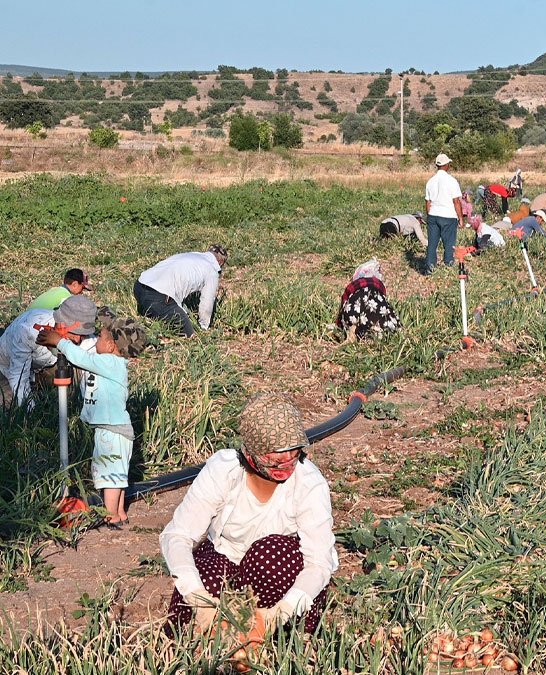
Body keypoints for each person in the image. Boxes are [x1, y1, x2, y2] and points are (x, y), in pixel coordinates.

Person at [161, 394, 337, 639]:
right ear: (252, 453)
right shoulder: (223, 471)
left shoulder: (309, 483)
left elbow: (318, 562)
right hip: (226, 555)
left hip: (278, 567)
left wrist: (281, 611)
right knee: (204, 580)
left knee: (269, 556)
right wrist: (198, 598)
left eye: (293, 453)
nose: (287, 461)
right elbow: (178, 535)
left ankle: (280, 637)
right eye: (276, 456)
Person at [37, 314, 145, 526]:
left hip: (111, 431)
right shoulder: (108, 362)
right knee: (117, 476)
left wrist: (60, 341)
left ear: (111, 345)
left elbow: (83, 359)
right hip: (111, 430)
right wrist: (59, 344)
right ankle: (120, 513)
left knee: (111, 476)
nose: (96, 340)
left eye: (100, 337)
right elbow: (80, 358)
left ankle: (111, 515)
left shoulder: (111, 362)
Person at [0, 295, 97, 407]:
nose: (78, 339)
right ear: (60, 323)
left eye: (83, 335)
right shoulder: (27, 331)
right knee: (10, 405)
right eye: (74, 333)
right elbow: (18, 376)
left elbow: (92, 369)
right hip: (8, 370)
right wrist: (31, 413)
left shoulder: (86, 337)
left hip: (45, 367)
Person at [135, 245, 227, 337]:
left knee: (157, 314)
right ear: (220, 262)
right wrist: (203, 327)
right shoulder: (212, 271)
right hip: (158, 296)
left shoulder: (193, 255)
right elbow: (207, 303)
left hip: (139, 287)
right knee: (189, 333)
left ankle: (150, 315)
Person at [335, 259, 400, 341]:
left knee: (352, 316)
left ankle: (352, 331)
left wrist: (339, 323)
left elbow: (344, 302)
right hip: (376, 310)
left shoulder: (353, 285)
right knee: (380, 317)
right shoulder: (379, 285)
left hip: (354, 308)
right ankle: (377, 332)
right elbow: (383, 300)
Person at [423, 153, 464, 276]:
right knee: (449, 244)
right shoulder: (452, 181)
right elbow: (456, 201)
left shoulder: (430, 181)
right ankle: (448, 267)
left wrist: (430, 216)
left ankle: (430, 269)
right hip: (448, 216)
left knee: (432, 244)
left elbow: (428, 202)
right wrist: (460, 218)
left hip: (433, 215)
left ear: (437, 165)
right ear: (446, 165)